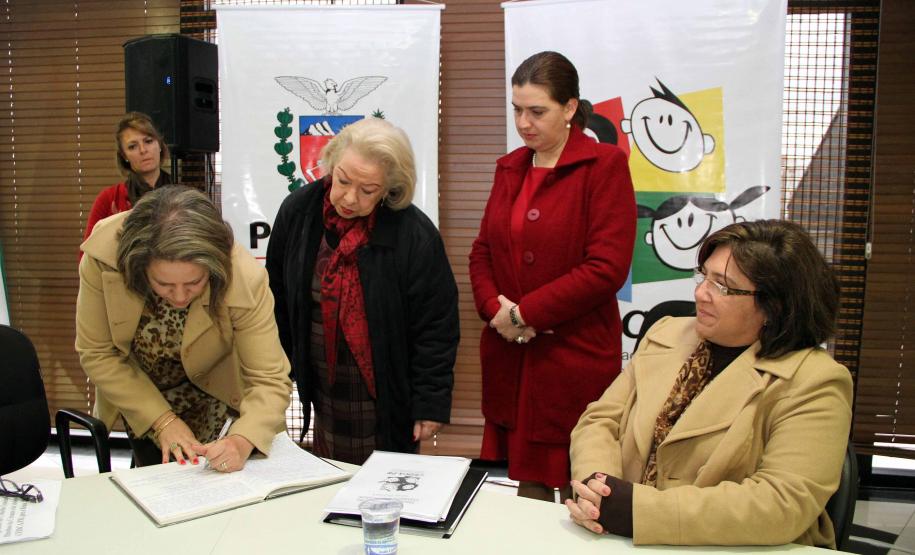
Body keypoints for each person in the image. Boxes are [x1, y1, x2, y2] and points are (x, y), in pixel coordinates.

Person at [566, 219, 853, 548]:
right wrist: (598, 489)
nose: (700, 293)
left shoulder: (816, 381)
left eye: (722, 286)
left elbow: (781, 502)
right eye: (704, 276)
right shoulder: (665, 333)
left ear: (775, 307)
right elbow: (600, 420)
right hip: (619, 537)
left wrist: (636, 511)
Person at [468, 51, 636, 502]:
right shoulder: (509, 168)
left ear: (569, 108)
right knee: (520, 493)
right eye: (517, 110)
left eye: (537, 111)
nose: (524, 122)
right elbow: (482, 251)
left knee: (578, 491)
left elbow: (606, 268)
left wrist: (524, 314)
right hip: (510, 356)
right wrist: (495, 312)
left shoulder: (604, 167)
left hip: (570, 357)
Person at [266, 117, 459, 465]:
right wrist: (276, 375)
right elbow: (277, 296)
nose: (350, 198)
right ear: (330, 164)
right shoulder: (298, 213)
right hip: (321, 386)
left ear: (390, 188)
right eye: (342, 180)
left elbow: (436, 326)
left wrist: (430, 402)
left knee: (385, 486)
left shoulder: (413, 234)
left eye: (368, 190)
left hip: (387, 392)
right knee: (330, 478)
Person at [76, 186, 292, 471]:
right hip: (140, 396)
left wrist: (240, 439)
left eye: (193, 284)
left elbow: (269, 379)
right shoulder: (104, 258)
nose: (179, 297)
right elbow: (97, 352)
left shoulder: (242, 275)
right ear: (140, 266)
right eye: (164, 285)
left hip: (221, 400)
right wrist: (162, 420)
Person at [83, 112, 172, 243]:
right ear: (124, 156)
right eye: (133, 146)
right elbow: (87, 258)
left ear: (159, 145)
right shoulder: (109, 199)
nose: (143, 150)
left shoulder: (183, 194)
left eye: (148, 141)